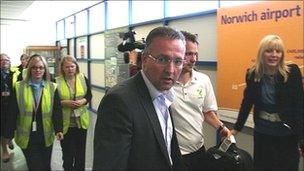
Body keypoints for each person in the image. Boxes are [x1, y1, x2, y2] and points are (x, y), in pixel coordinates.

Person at [93, 26, 186, 170]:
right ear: (144, 59)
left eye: (178, 61)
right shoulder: (118, 101)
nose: (171, 70)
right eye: (162, 59)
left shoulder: (165, 94)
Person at [231, 35, 303, 171]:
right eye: (269, 51)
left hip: (287, 135)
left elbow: (299, 106)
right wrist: (236, 128)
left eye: (278, 51)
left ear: (282, 54)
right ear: (261, 53)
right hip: (263, 134)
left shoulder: (292, 72)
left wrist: (301, 138)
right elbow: (247, 103)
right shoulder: (253, 74)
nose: (274, 55)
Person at [170, 31, 231, 170]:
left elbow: (207, 113)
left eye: (195, 54)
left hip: (198, 152)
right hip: (173, 155)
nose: (193, 59)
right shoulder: (165, 83)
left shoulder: (203, 80)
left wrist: (222, 128)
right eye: (188, 54)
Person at [9, 54, 64, 170]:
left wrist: (59, 129)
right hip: (27, 136)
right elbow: (12, 111)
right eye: (34, 67)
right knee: (35, 166)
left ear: (45, 69)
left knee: (46, 166)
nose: (37, 70)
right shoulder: (19, 87)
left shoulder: (52, 87)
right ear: (29, 69)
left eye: (41, 67)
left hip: (45, 135)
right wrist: (8, 133)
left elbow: (57, 110)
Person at [55, 55, 92, 171]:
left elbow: (89, 95)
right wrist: (63, 102)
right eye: (67, 67)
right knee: (68, 154)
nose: (70, 69)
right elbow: (53, 102)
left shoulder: (82, 78)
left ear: (76, 67)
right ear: (62, 68)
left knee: (80, 154)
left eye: (72, 66)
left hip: (81, 123)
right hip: (66, 125)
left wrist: (83, 101)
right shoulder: (56, 82)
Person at [0, 53, 20, 162]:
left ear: (10, 61)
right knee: (3, 129)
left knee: (12, 126)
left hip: (13, 105)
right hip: (1, 107)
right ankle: (4, 150)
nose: (4, 61)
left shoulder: (16, 73)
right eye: (2, 60)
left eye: (7, 60)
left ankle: (10, 139)